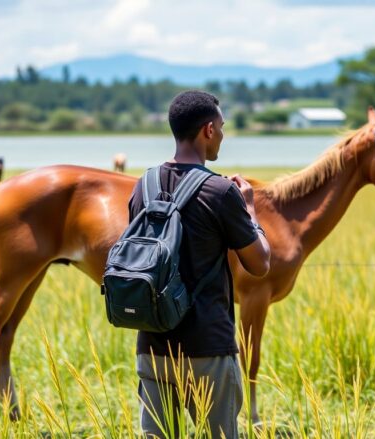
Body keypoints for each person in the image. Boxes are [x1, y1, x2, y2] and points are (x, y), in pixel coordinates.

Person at [128, 90, 271, 438]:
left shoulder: (143, 185)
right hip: (208, 350)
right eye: (221, 127)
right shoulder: (220, 191)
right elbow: (260, 264)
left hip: (153, 349)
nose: (222, 134)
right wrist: (250, 211)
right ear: (208, 130)